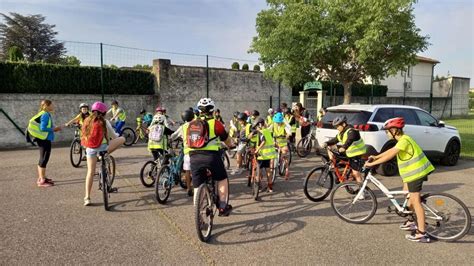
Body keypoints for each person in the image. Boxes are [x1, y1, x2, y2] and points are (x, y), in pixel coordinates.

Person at [365, 117, 434, 243]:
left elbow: (391, 155)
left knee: (415, 201)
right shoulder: (402, 140)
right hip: (411, 175)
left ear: (394, 130)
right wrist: (376, 156)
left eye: (387, 131)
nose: (386, 134)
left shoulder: (404, 140)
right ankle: (412, 221)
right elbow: (391, 150)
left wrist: (372, 164)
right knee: (406, 196)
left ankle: (421, 233)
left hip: (416, 173)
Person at [187, 98, 234, 216]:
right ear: (212, 110)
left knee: (197, 185)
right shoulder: (215, 123)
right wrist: (231, 146)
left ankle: (198, 210)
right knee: (222, 178)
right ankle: (223, 206)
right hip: (211, 157)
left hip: (194, 156)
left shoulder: (192, 123)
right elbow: (226, 139)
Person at [81, 102, 125, 206]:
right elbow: (114, 136)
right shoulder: (104, 122)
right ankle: (104, 156)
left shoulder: (87, 120)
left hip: (90, 149)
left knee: (90, 172)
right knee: (122, 139)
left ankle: (87, 197)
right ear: (104, 112)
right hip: (103, 148)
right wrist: (117, 135)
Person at [27, 99, 62, 187]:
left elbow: (45, 126)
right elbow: (43, 128)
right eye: (51, 105)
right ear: (46, 106)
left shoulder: (43, 113)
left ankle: (41, 177)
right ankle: (42, 181)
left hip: (42, 138)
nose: (53, 106)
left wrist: (54, 128)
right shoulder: (45, 115)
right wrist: (54, 129)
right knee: (44, 159)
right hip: (44, 139)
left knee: (42, 158)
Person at [322, 115, 366, 183]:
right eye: (335, 126)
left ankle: (362, 190)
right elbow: (335, 139)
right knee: (329, 147)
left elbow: (350, 140)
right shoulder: (341, 133)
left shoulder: (352, 131)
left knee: (356, 173)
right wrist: (327, 143)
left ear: (343, 124)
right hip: (348, 152)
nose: (337, 128)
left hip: (357, 153)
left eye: (337, 126)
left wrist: (344, 147)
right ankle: (334, 165)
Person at [170, 109, 194, 196]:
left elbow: (173, 136)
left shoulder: (183, 127)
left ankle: (188, 188)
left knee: (187, 170)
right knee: (195, 170)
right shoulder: (198, 125)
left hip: (187, 152)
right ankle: (196, 187)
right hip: (197, 152)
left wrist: (171, 139)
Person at [253, 118, 277, 192]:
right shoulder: (267, 131)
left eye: (257, 126)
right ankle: (270, 187)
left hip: (262, 155)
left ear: (259, 125)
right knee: (268, 171)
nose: (256, 128)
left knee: (258, 171)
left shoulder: (261, 132)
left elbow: (263, 141)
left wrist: (257, 150)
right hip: (269, 155)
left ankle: (258, 187)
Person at [268, 112, 292, 180]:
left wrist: (287, 136)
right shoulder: (273, 124)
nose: (278, 123)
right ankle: (272, 170)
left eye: (279, 122)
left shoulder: (284, 125)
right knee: (272, 157)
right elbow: (268, 130)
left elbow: (289, 133)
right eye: (277, 122)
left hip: (283, 143)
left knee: (284, 155)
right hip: (275, 142)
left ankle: (287, 169)